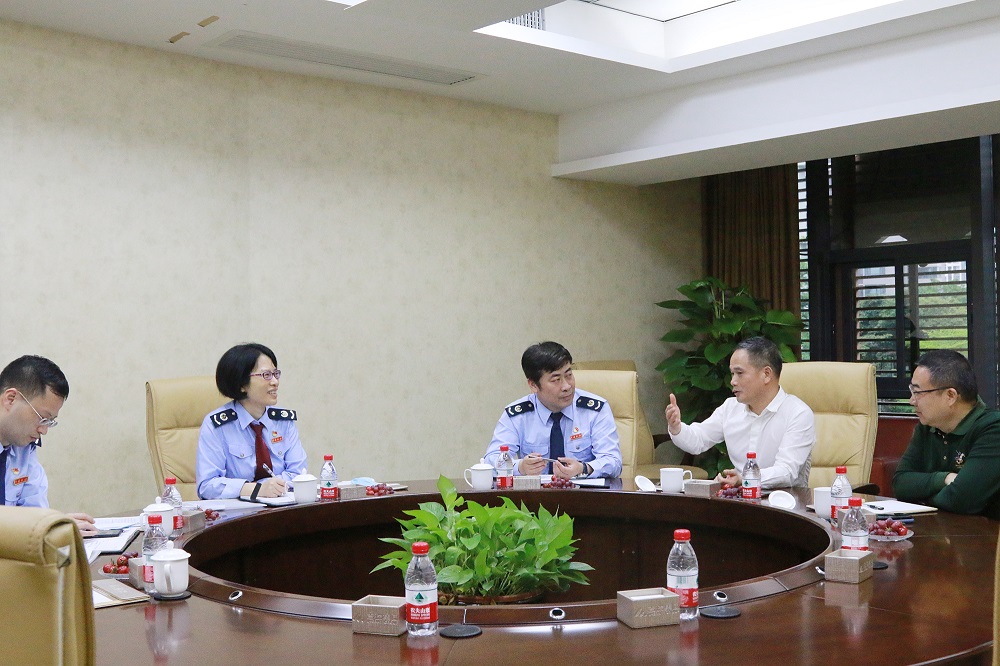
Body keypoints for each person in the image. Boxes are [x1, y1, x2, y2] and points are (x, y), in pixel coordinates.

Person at [664, 336, 815, 489]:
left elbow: (787, 472)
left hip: (784, 500)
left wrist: (745, 478)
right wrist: (676, 427)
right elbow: (698, 440)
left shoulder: (798, 414)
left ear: (766, 374)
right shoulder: (730, 408)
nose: (733, 381)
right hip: (740, 499)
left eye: (739, 373)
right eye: (732, 374)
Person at [485, 341, 622, 479]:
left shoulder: (595, 410)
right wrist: (520, 467)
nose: (567, 386)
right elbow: (491, 461)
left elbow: (613, 462)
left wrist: (584, 468)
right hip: (534, 492)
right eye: (556, 380)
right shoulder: (518, 415)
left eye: (569, 375)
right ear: (533, 385)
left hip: (584, 491)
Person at [892, 350, 1000, 518]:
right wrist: (943, 479)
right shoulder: (928, 426)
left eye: (917, 392)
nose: (911, 401)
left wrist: (923, 499)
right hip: (935, 529)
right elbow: (900, 484)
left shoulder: (992, 428)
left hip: (982, 532)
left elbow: (962, 500)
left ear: (950, 396)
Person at [196, 343, 308, 499]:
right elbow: (207, 486)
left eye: (275, 374)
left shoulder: (283, 421)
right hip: (237, 511)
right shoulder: (217, 425)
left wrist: (271, 488)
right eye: (266, 375)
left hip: (282, 506)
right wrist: (257, 489)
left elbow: (299, 474)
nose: (275, 382)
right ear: (242, 384)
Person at [0, 355, 97, 534]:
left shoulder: (24, 449)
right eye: (42, 418)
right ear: (11, 399)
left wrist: (52, 527)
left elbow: (35, 514)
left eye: (49, 422)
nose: (44, 430)